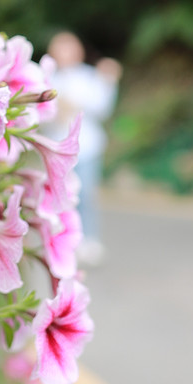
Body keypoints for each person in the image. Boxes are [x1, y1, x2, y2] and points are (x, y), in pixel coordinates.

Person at [46, 31, 122, 264]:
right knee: (60, 198)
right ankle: (64, 241)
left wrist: (109, 82)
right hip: (57, 149)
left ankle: (89, 239)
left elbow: (102, 106)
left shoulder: (90, 77)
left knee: (86, 194)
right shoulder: (48, 79)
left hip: (87, 147)